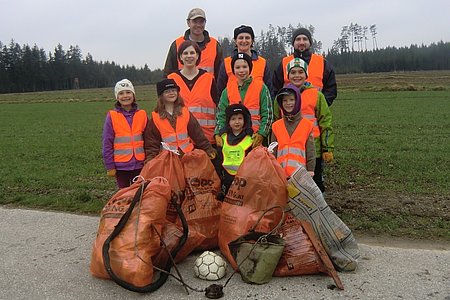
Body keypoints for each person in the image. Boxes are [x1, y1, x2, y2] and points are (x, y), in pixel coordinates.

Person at [280, 58, 334, 192]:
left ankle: (317, 210)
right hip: (289, 151)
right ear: (288, 76)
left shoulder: (317, 95)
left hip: (312, 149)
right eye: (293, 72)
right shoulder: (281, 96)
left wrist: (327, 148)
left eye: (300, 72)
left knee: (314, 183)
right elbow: (277, 122)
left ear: (306, 75)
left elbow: (325, 122)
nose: (297, 75)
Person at [143, 78, 216, 161]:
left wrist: (208, 149)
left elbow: (197, 134)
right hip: (168, 160)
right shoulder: (155, 118)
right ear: (161, 95)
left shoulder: (185, 112)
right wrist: (150, 160)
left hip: (188, 157)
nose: (171, 93)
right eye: (167, 91)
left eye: (173, 90)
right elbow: (152, 144)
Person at [214, 52, 273, 149]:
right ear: (233, 70)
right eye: (237, 68)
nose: (241, 70)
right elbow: (221, 115)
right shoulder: (227, 90)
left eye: (244, 67)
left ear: (250, 68)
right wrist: (218, 133)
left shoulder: (261, 88)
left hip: (254, 139)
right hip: (233, 141)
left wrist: (262, 134)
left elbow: (268, 114)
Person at [272, 27, 337, 106]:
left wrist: (322, 106)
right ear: (293, 43)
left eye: (305, 39)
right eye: (298, 39)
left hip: (314, 115)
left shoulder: (322, 62)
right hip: (289, 114)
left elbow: (331, 89)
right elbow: (274, 89)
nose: (301, 42)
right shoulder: (284, 63)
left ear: (310, 42)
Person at [102, 79, 147, 188]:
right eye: (121, 93)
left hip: (140, 165)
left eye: (128, 92)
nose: (125, 96)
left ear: (133, 95)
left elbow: (148, 139)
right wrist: (110, 166)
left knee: (139, 193)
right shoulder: (112, 116)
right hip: (121, 167)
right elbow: (107, 142)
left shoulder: (142, 114)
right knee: (124, 194)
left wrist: (149, 160)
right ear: (117, 97)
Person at [163, 8, 223, 79]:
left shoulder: (215, 45)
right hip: (182, 89)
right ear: (188, 23)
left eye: (201, 22)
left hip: (208, 89)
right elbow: (168, 74)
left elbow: (221, 75)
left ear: (205, 23)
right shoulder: (176, 45)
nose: (198, 25)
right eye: (195, 21)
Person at [271, 85, 315, 178]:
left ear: (297, 101)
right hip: (280, 174)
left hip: (300, 175)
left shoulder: (307, 125)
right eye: (285, 100)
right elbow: (273, 151)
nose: (288, 103)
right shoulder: (276, 126)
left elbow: (310, 150)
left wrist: (310, 170)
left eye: (291, 100)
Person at [216, 25, 272, 96]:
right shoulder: (226, 63)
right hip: (233, 105)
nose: (244, 41)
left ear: (252, 41)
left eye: (247, 38)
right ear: (235, 41)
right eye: (241, 38)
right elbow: (220, 91)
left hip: (256, 105)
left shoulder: (262, 63)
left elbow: (269, 91)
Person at [217, 103, 254, 200]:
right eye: (233, 119)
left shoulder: (251, 139)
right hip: (226, 179)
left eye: (240, 118)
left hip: (244, 180)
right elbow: (219, 159)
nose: (237, 122)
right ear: (228, 121)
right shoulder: (223, 138)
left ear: (244, 120)